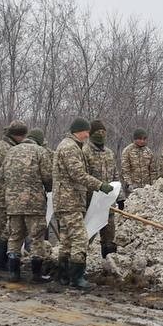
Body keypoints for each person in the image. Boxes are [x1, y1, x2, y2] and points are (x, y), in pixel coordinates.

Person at [55, 118, 114, 289]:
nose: (88, 135)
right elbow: (78, 174)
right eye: (86, 132)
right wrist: (99, 185)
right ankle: (77, 278)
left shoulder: (69, 146)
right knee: (81, 239)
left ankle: (63, 275)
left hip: (67, 200)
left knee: (66, 241)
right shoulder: (70, 148)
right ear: (78, 131)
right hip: (69, 201)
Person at [2, 132, 55, 283]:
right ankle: (36, 275)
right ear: (39, 141)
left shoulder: (11, 151)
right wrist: (48, 189)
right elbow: (48, 177)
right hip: (34, 203)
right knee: (37, 237)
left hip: (13, 202)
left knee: (15, 236)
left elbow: (2, 174)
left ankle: (14, 273)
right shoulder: (40, 152)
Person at [0, 121, 29, 272]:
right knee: (5, 229)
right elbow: (5, 173)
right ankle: (0, 262)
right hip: (4, 194)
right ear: (18, 135)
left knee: (1, 229)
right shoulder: (7, 149)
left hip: (0, 193)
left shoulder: (3, 146)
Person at [84, 120, 119, 257]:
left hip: (108, 201)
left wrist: (119, 197)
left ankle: (108, 263)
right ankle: (79, 264)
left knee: (109, 233)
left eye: (103, 133)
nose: (101, 135)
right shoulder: (85, 152)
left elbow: (115, 175)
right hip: (90, 200)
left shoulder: (109, 153)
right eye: (98, 132)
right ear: (91, 134)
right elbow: (83, 176)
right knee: (87, 233)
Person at [121, 128, 157, 200]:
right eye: (140, 139)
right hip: (132, 188)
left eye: (144, 139)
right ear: (135, 139)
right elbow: (125, 170)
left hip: (146, 188)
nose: (142, 141)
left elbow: (153, 171)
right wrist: (129, 184)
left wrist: (153, 185)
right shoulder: (127, 151)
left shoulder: (149, 152)